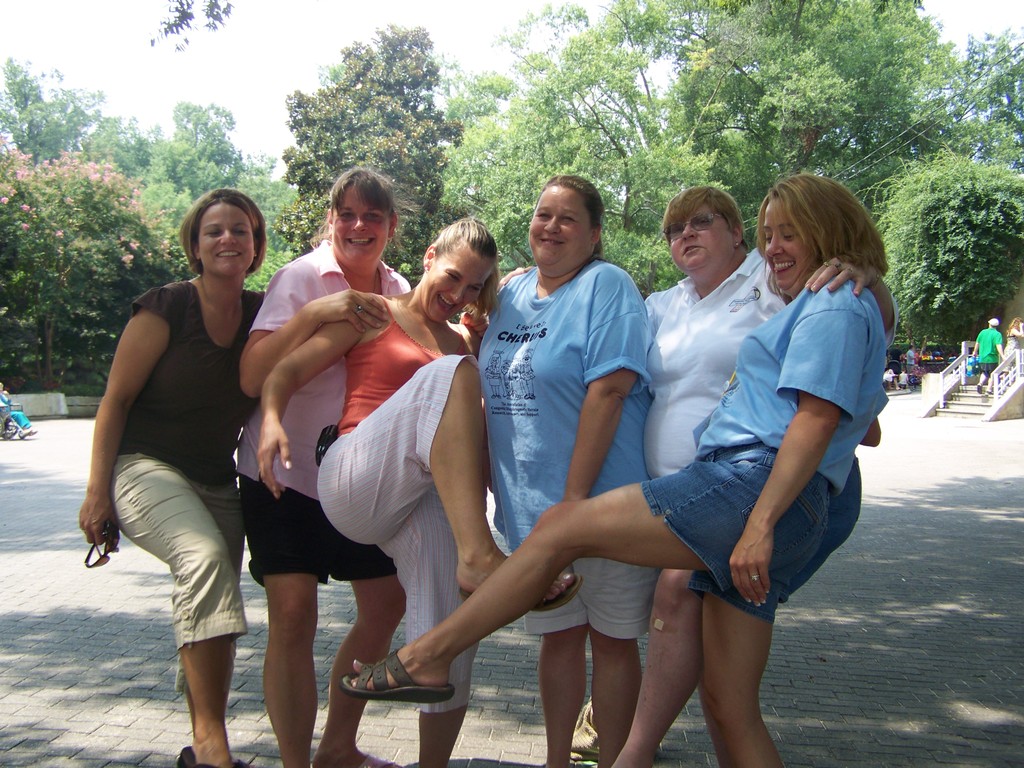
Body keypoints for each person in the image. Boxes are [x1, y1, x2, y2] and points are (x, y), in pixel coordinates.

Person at [341, 173, 890, 768]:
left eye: (790, 233)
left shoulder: (809, 289)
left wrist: (760, 523)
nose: (777, 245)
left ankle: (430, 657)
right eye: (771, 234)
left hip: (750, 486)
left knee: (580, 547)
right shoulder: (677, 301)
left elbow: (817, 412)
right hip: (732, 487)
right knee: (729, 704)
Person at [584, 186, 890, 767]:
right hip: (703, 489)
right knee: (724, 692)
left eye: (702, 222)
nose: (686, 235)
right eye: (674, 229)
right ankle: (634, 752)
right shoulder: (662, 305)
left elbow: (850, 340)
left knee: (677, 596)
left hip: (761, 490)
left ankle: (632, 754)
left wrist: (868, 275)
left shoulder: (775, 286)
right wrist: (526, 289)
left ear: (735, 233)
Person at [257, 218, 565, 767]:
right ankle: (480, 558)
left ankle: (430, 754)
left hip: (415, 499)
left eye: (474, 287)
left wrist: (531, 535)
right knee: (453, 374)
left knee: (451, 633)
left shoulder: (464, 343)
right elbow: (284, 371)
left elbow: (477, 448)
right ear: (427, 258)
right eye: (453, 277)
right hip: (352, 476)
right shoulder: (377, 313)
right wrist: (273, 421)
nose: (458, 295)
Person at [462, 175, 657, 768]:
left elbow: (610, 391)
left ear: (595, 234)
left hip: (602, 507)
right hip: (530, 513)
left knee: (614, 643)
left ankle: (615, 758)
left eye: (568, 218)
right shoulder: (512, 294)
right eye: (543, 214)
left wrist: (573, 503)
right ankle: (555, 760)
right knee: (557, 640)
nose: (551, 227)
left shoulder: (608, 286)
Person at [78, 188, 267, 768]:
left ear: (257, 246)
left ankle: (202, 740)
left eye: (241, 229)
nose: (228, 239)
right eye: (214, 231)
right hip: (143, 466)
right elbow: (115, 401)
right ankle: (213, 746)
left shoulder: (263, 313)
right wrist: (95, 493)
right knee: (205, 560)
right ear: (195, 245)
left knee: (216, 596)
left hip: (216, 479)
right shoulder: (165, 307)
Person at [235, 168, 409, 768]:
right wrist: (316, 314)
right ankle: (293, 762)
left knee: (386, 607)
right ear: (331, 219)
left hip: (360, 482)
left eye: (374, 217)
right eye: (348, 215)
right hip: (282, 475)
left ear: (390, 227)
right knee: (291, 615)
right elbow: (253, 376)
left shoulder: (399, 288)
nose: (360, 226)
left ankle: (338, 748)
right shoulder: (301, 277)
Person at [972, 318, 1003, 394]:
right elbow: (998, 345)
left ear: (989, 324)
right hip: (992, 358)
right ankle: (989, 389)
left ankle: (980, 383)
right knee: (992, 373)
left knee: (984, 372)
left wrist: (975, 352)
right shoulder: (997, 334)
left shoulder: (982, 332)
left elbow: (977, 343)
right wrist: (1002, 355)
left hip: (982, 357)